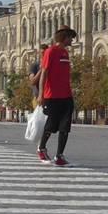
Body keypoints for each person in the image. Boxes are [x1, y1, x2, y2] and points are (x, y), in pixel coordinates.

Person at [36, 27, 77, 166]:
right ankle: (41, 148)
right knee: (51, 125)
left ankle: (59, 156)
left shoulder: (65, 52)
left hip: (66, 95)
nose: (72, 40)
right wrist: (41, 94)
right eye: (71, 37)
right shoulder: (50, 51)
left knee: (65, 127)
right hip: (52, 95)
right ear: (65, 38)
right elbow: (44, 74)